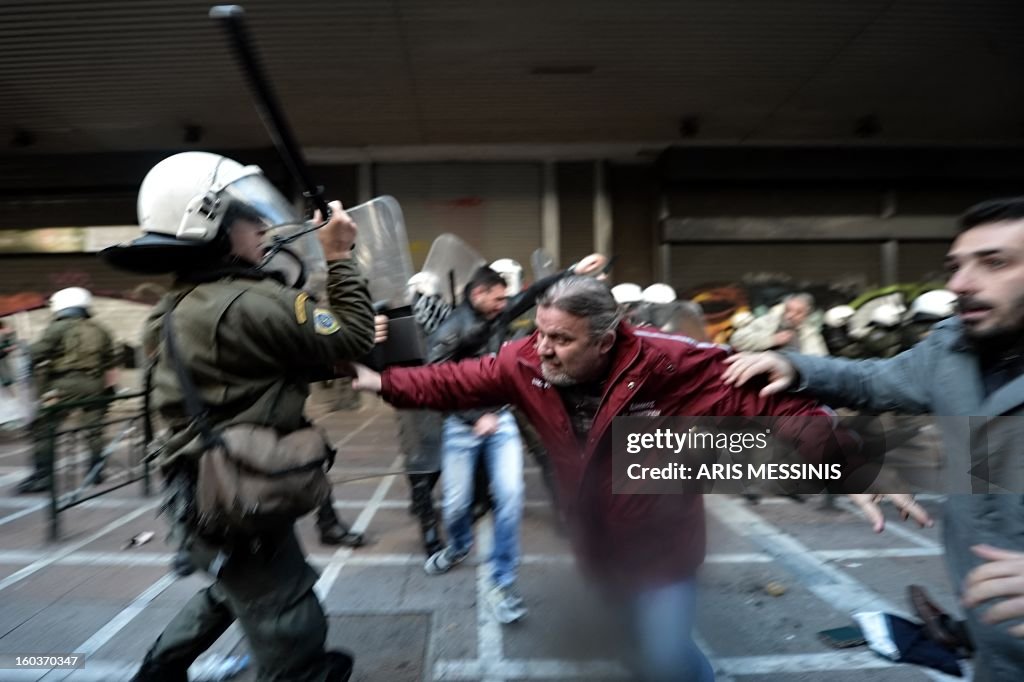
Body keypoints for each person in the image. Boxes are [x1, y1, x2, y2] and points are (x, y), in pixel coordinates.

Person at [351, 275, 924, 681]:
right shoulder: (525, 359)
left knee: (667, 660)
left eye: (561, 340)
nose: (542, 350)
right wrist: (384, 384)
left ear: (605, 341)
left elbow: (769, 401)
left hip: (662, 543)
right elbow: (453, 381)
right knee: (632, 650)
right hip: (595, 540)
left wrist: (852, 461)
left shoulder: (668, 360)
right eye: (541, 333)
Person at [722, 196, 1024, 680]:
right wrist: (795, 367)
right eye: (956, 266)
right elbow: (871, 381)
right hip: (996, 650)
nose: (961, 284)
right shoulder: (952, 350)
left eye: (995, 263)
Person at [103, 151, 375, 682]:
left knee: (232, 587)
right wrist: (340, 257)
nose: (263, 228)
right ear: (215, 227)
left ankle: (159, 671)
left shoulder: (177, 304)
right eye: (250, 219)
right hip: (233, 490)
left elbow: (243, 375)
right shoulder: (252, 300)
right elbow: (354, 336)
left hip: (201, 490)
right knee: (288, 611)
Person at [422, 256, 605, 625]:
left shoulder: (498, 317)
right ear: (477, 294)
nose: (505, 305)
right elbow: (433, 383)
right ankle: (458, 545)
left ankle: (502, 582)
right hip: (462, 427)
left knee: (510, 496)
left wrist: (572, 272)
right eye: (497, 299)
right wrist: (475, 417)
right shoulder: (452, 330)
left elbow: (533, 293)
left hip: (502, 420)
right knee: (456, 504)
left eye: (505, 300)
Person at [16, 287, 115, 493]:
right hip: (96, 384)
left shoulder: (58, 328)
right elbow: (111, 362)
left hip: (64, 385)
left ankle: (43, 476)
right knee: (94, 430)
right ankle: (96, 471)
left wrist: (25, 350)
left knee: (44, 426)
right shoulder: (101, 329)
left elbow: (37, 354)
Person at [730, 292, 828, 356]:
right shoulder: (768, 321)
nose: (790, 315)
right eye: (788, 310)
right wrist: (772, 340)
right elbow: (737, 340)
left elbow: (820, 360)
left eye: (798, 312)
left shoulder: (809, 333)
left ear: (806, 315)